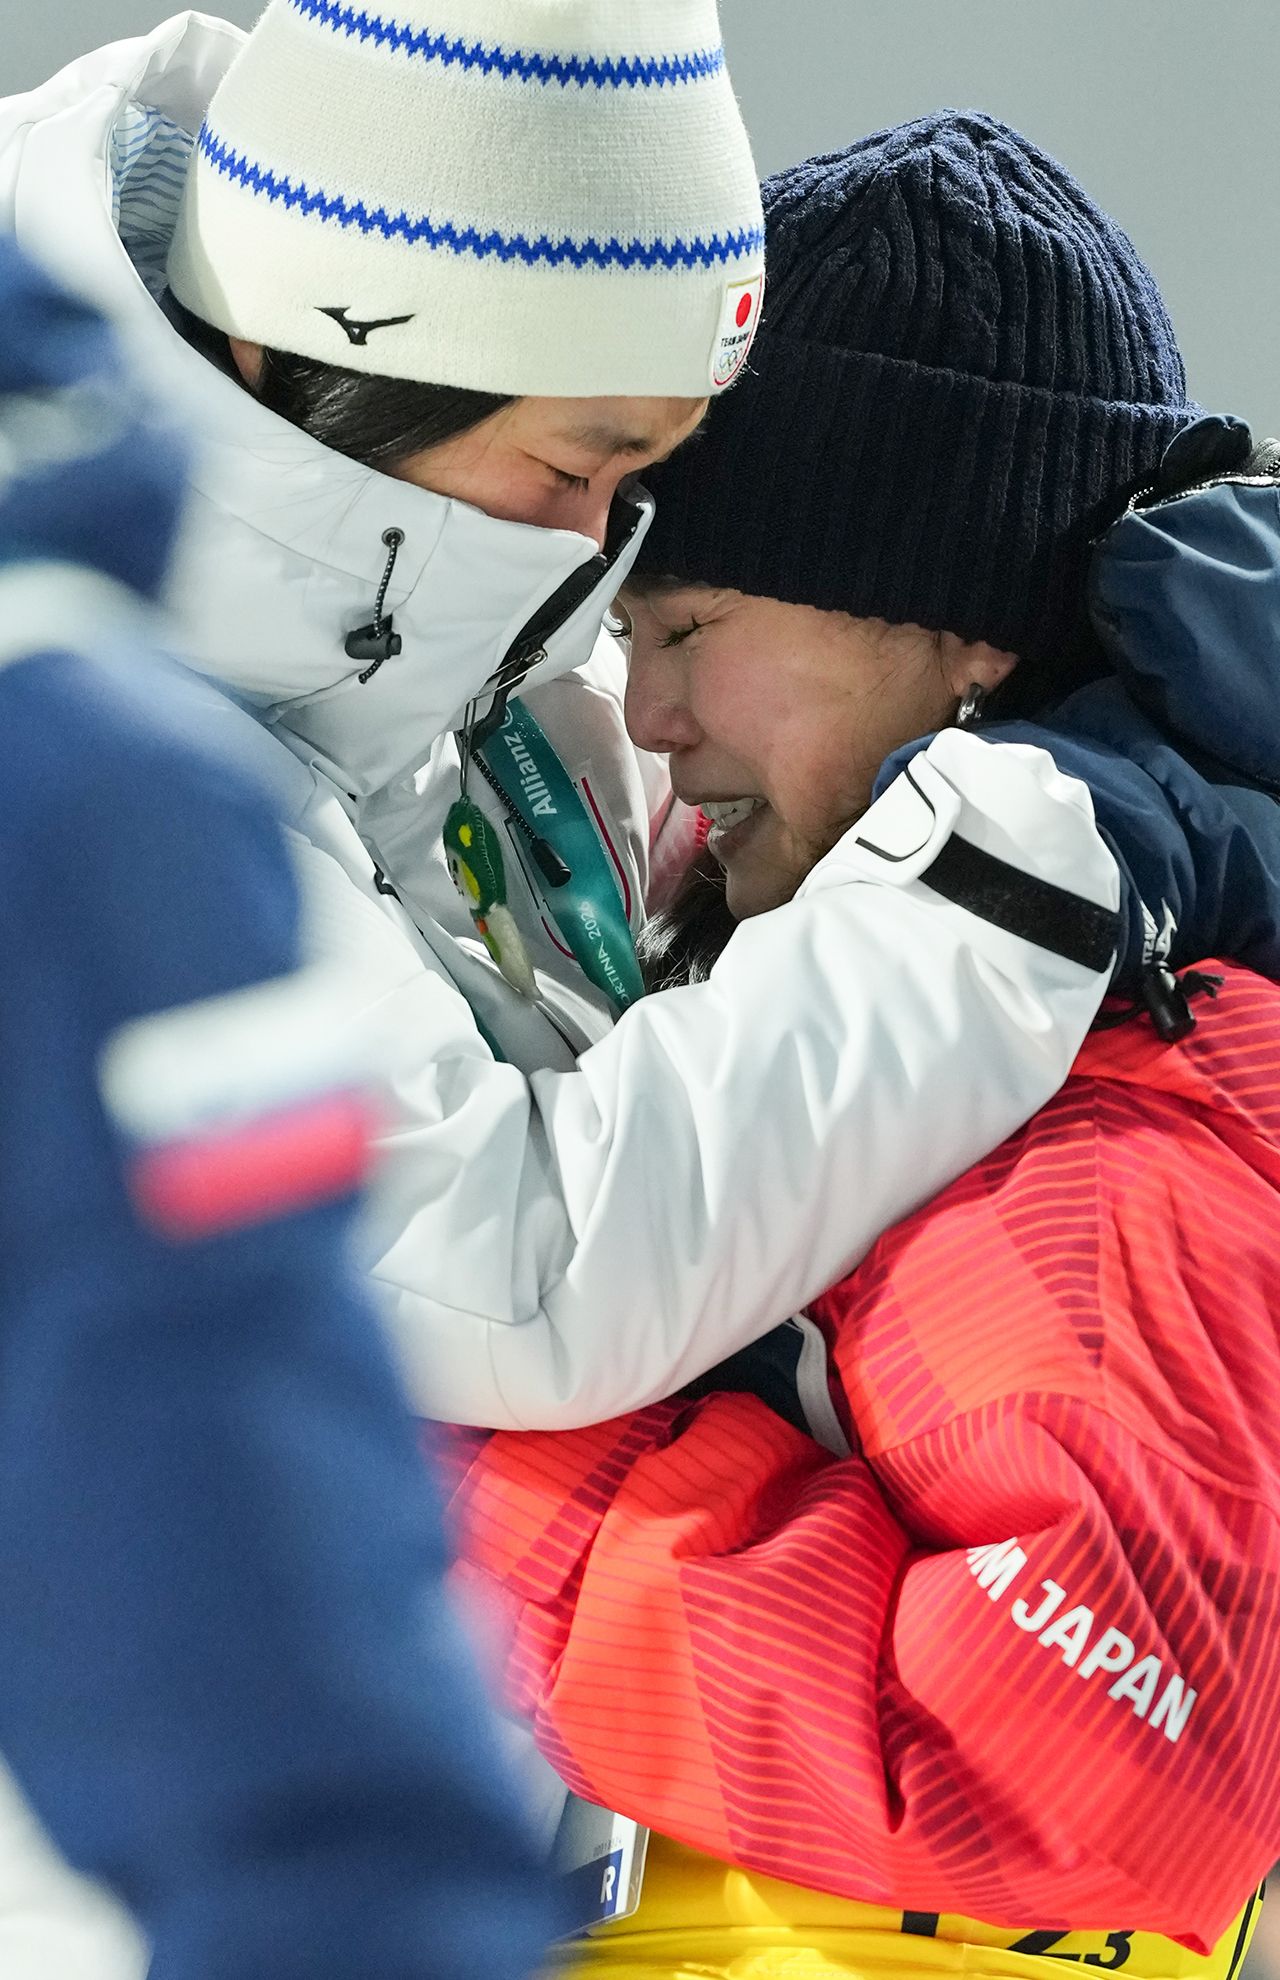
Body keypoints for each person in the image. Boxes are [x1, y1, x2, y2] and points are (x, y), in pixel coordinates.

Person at [0, 7, 1136, 1435]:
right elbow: (516, 1270)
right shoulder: (63, 746)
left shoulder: (431, 631)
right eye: (572, 463)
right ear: (309, 356)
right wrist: (1032, 863)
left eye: (645, 476)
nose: (589, 552)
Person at [439, 117, 1280, 1977]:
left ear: (958, 631)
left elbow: (1084, 1773)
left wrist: (453, 1480)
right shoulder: (880, 1025)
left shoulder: (1106, 1130)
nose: (651, 709)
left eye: (699, 627)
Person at [0, 234, 564, 1980]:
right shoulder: (86, 788)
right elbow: (224, 1468)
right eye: (576, 465)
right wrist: (1002, 896)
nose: (593, 540)